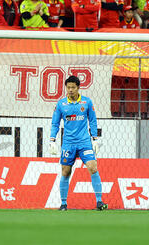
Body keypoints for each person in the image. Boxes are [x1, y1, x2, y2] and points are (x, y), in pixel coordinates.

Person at [49, 75, 108, 211]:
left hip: (84, 142)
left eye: (73, 87)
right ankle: (63, 204)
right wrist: (52, 140)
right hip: (68, 143)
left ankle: (99, 202)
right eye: (68, 87)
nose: (70, 90)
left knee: (93, 167)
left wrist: (95, 138)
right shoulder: (61, 104)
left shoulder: (86, 102)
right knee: (65, 172)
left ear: (78, 88)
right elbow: (55, 123)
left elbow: (92, 121)